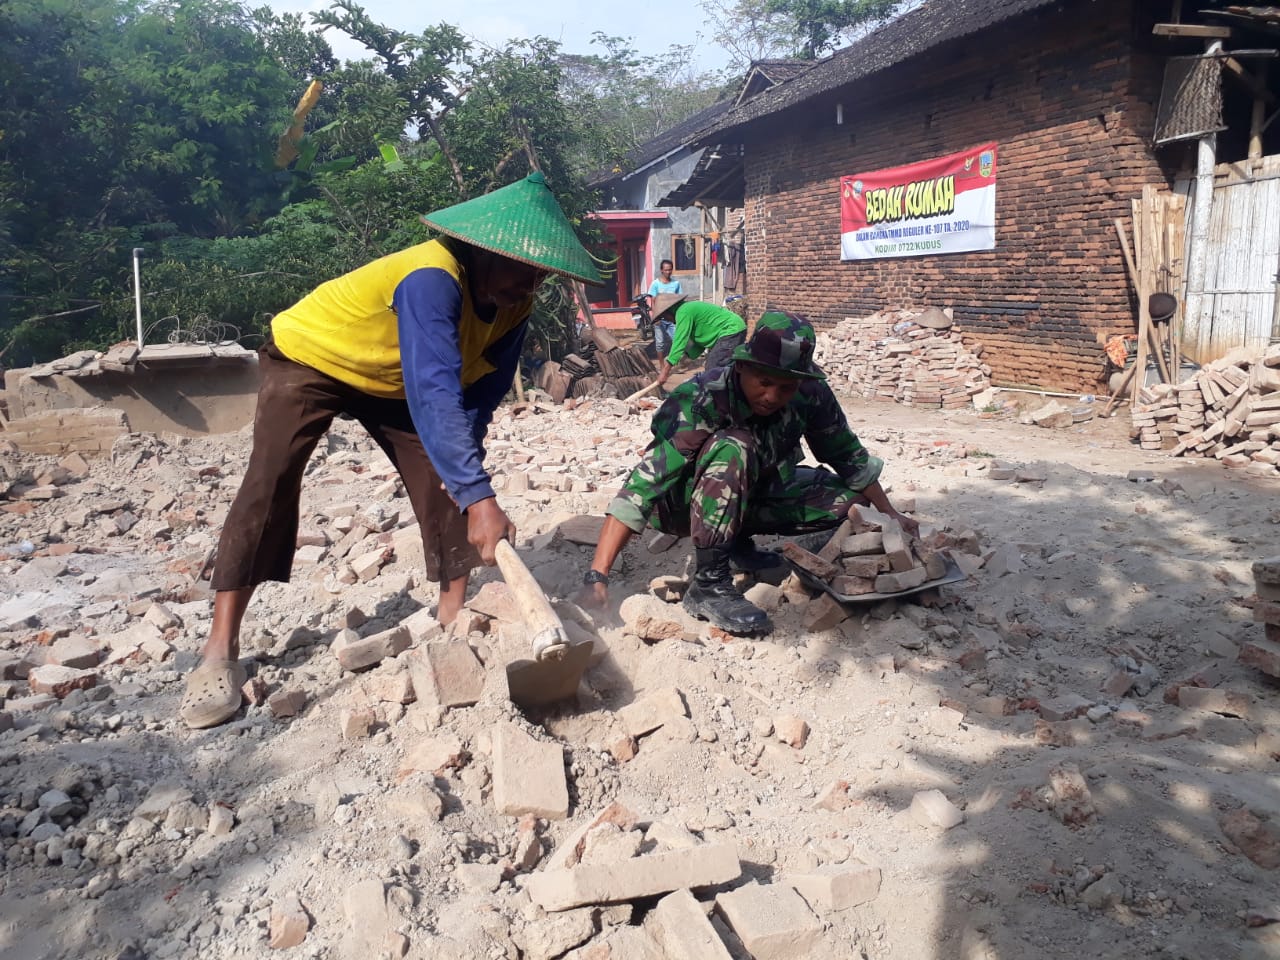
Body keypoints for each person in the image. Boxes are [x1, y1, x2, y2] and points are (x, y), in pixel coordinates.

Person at [179, 172, 601, 730]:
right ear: (482, 251)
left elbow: (484, 388)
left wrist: (465, 478)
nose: (530, 286)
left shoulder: (512, 301)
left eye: (541, 276)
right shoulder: (432, 280)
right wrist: (480, 496)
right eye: (523, 271)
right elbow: (434, 389)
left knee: (446, 481)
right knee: (270, 481)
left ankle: (454, 620)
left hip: (390, 378)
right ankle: (218, 652)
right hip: (315, 357)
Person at [578, 311, 918, 635]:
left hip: (752, 494)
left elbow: (849, 458)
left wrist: (890, 515)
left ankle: (749, 548)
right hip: (684, 506)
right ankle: (709, 584)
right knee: (734, 446)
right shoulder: (700, 400)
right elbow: (642, 487)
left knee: (855, 502)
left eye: (786, 388)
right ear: (742, 366)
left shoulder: (810, 393)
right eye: (765, 382)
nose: (772, 396)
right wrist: (598, 576)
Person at [650, 296, 747, 388]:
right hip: (735, 328)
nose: (670, 321)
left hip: (731, 329)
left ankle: (716, 400)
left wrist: (665, 370)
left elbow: (679, 341)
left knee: (713, 368)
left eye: (665, 318)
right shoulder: (687, 310)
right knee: (724, 369)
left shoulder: (683, 311)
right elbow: (700, 342)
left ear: (669, 312)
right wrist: (687, 357)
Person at [646, 260, 682, 355]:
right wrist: (655, 317)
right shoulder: (656, 284)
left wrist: (677, 317)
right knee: (660, 343)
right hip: (660, 318)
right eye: (666, 270)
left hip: (671, 318)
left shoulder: (676, 284)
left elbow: (679, 300)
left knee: (676, 340)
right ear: (661, 270)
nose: (668, 272)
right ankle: (662, 366)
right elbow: (653, 301)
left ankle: (674, 362)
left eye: (670, 270)